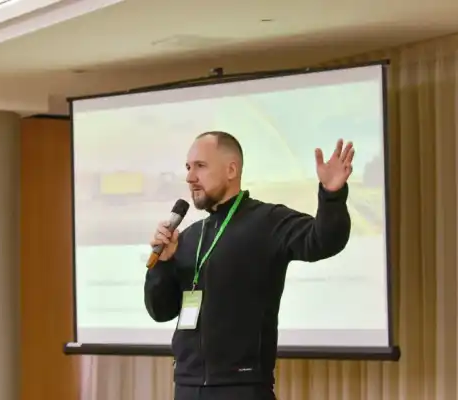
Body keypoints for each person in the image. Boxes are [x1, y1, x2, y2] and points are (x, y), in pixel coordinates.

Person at [144, 131, 353, 400]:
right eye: (188, 167)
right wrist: (162, 264)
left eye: (200, 166)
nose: (190, 177)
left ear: (231, 170)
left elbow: (323, 240)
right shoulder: (189, 237)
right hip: (187, 385)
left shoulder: (266, 221)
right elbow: (161, 311)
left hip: (242, 386)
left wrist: (332, 195)